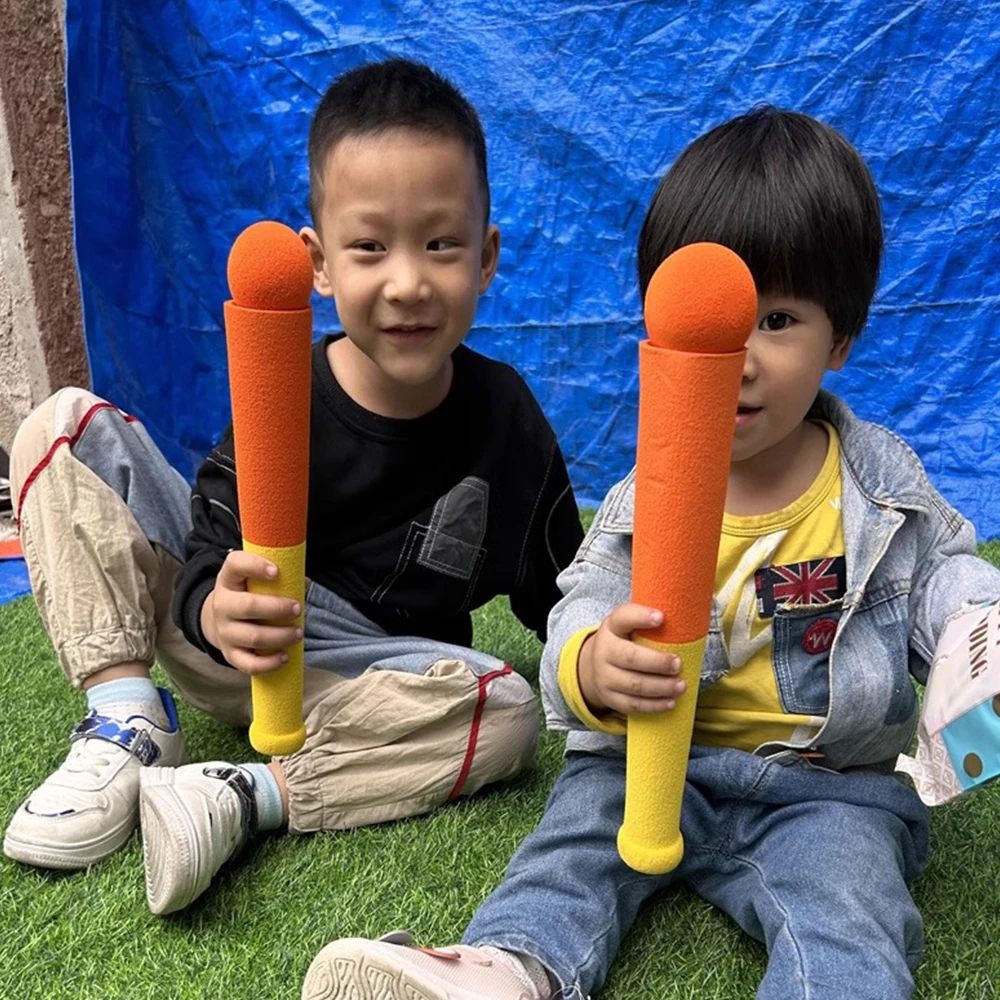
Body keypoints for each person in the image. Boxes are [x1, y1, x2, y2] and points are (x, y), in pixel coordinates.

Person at [299, 107, 1000, 1000]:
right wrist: (592, 665)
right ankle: (506, 968)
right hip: (651, 765)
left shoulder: (876, 488)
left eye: (776, 319)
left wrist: (977, 626)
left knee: (850, 911)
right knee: (566, 856)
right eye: (706, 326)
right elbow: (584, 595)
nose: (735, 358)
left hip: (826, 787)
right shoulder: (650, 494)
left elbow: (943, 572)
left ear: (843, 338)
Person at [4, 58, 583, 916]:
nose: (407, 281)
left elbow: (562, 589)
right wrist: (209, 606)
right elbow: (207, 536)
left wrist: (599, 656)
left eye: (440, 243)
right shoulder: (287, 388)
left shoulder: (506, 419)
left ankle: (242, 796)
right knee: (64, 424)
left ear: (487, 256)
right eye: (370, 247)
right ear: (318, 263)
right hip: (240, 635)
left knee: (508, 712)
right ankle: (126, 716)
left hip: (373, 681)